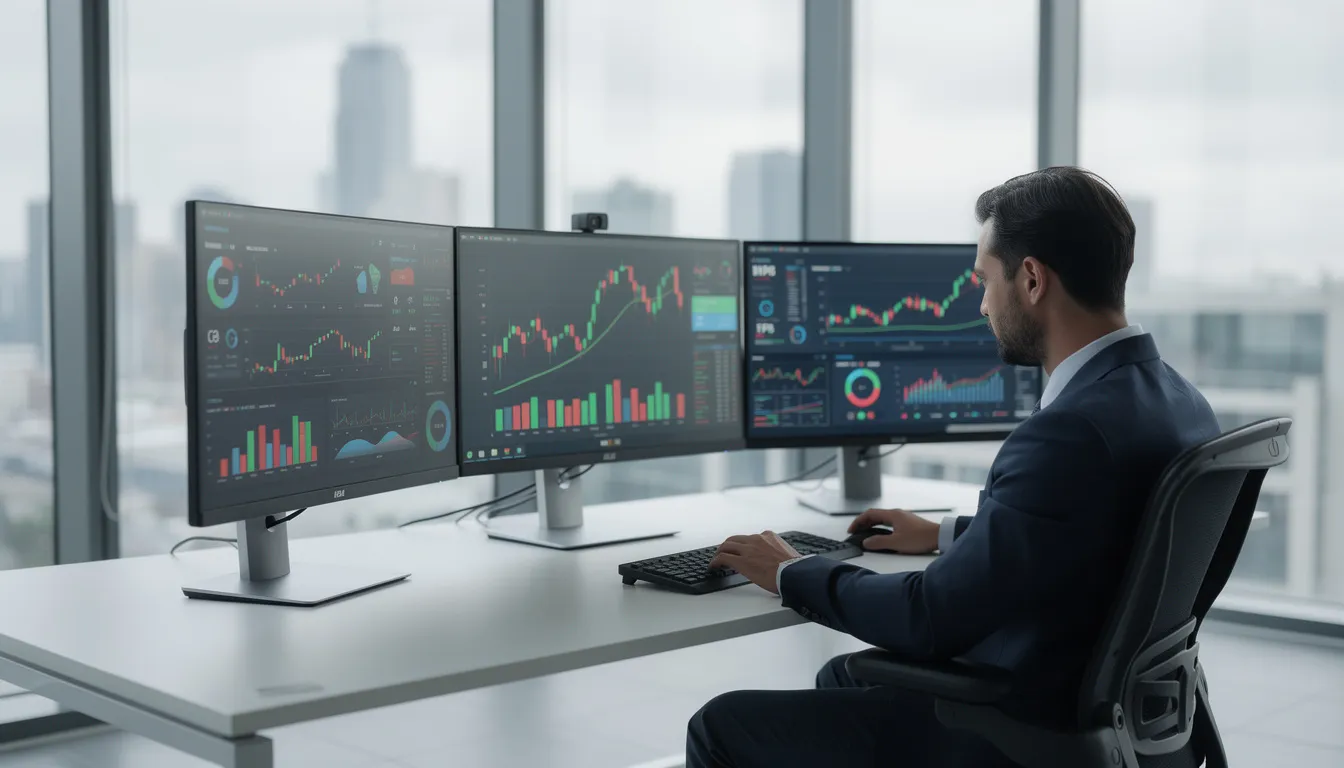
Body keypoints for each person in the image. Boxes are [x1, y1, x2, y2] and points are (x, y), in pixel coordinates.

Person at [687, 167, 1220, 768]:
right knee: (844, 677)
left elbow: (929, 618)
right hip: (1122, 718)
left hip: (1020, 731)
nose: (983, 304)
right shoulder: (1179, 403)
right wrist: (944, 534)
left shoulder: (1065, 433)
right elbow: (1102, 538)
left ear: (1032, 279)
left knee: (719, 726)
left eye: (984, 281)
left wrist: (793, 572)